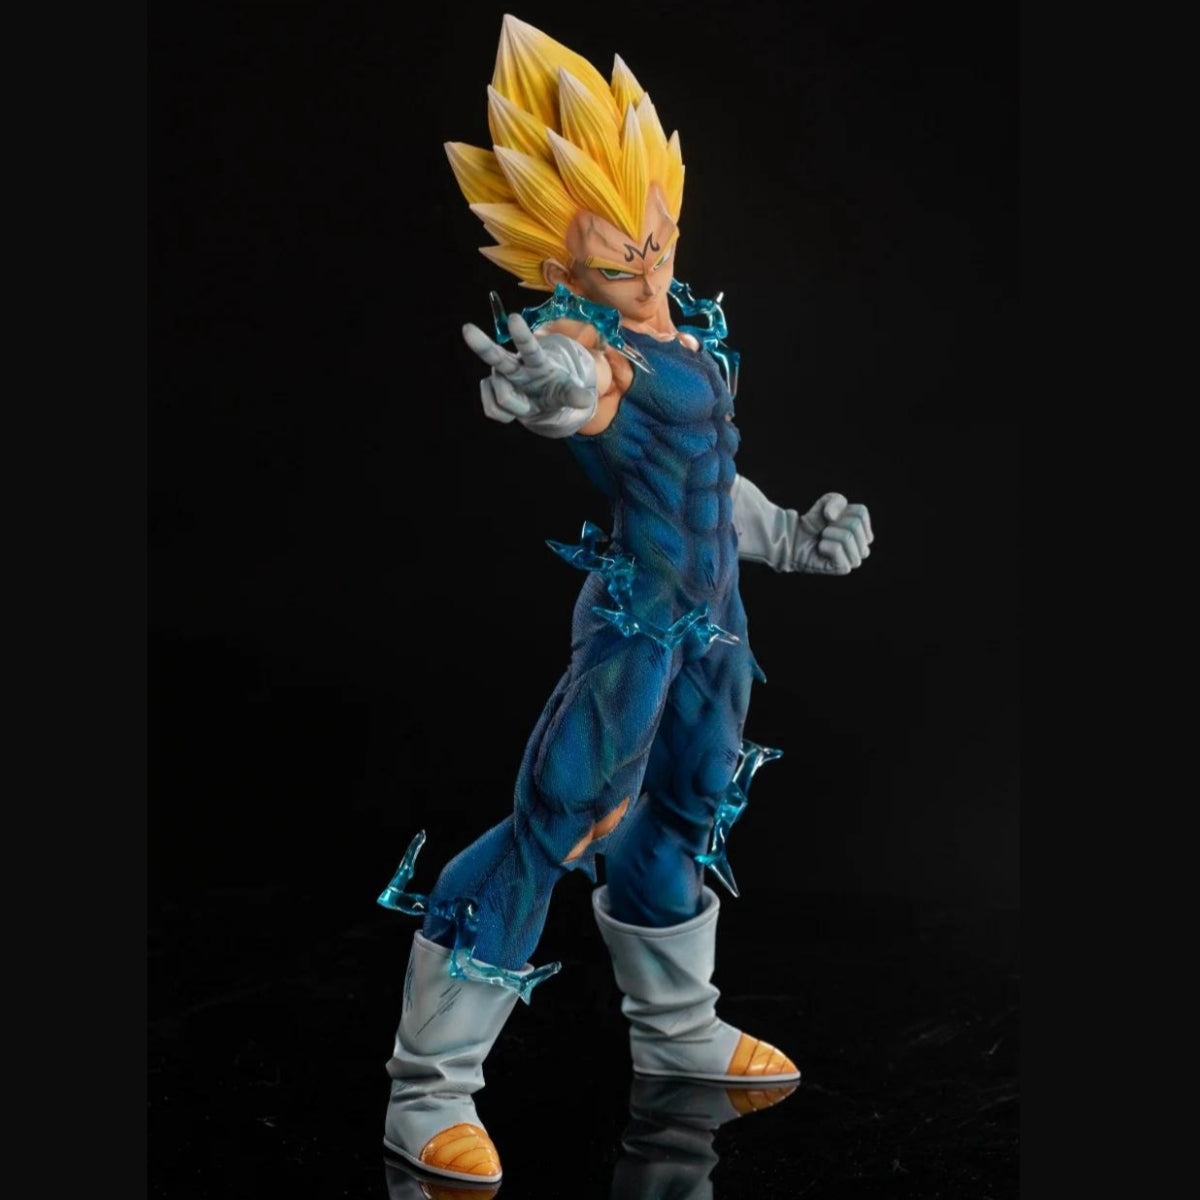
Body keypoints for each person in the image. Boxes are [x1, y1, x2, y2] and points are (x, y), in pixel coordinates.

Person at [380, 15, 874, 1185]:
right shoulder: (589, 340)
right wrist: (552, 381)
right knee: (563, 819)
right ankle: (427, 1092)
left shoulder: (686, 332)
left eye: (657, 241)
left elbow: (699, 484)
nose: (648, 272)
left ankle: (678, 1034)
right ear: (562, 273)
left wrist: (786, 537)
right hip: (637, 631)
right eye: (617, 264)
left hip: (716, 625)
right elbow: (578, 386)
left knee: (690, 810)